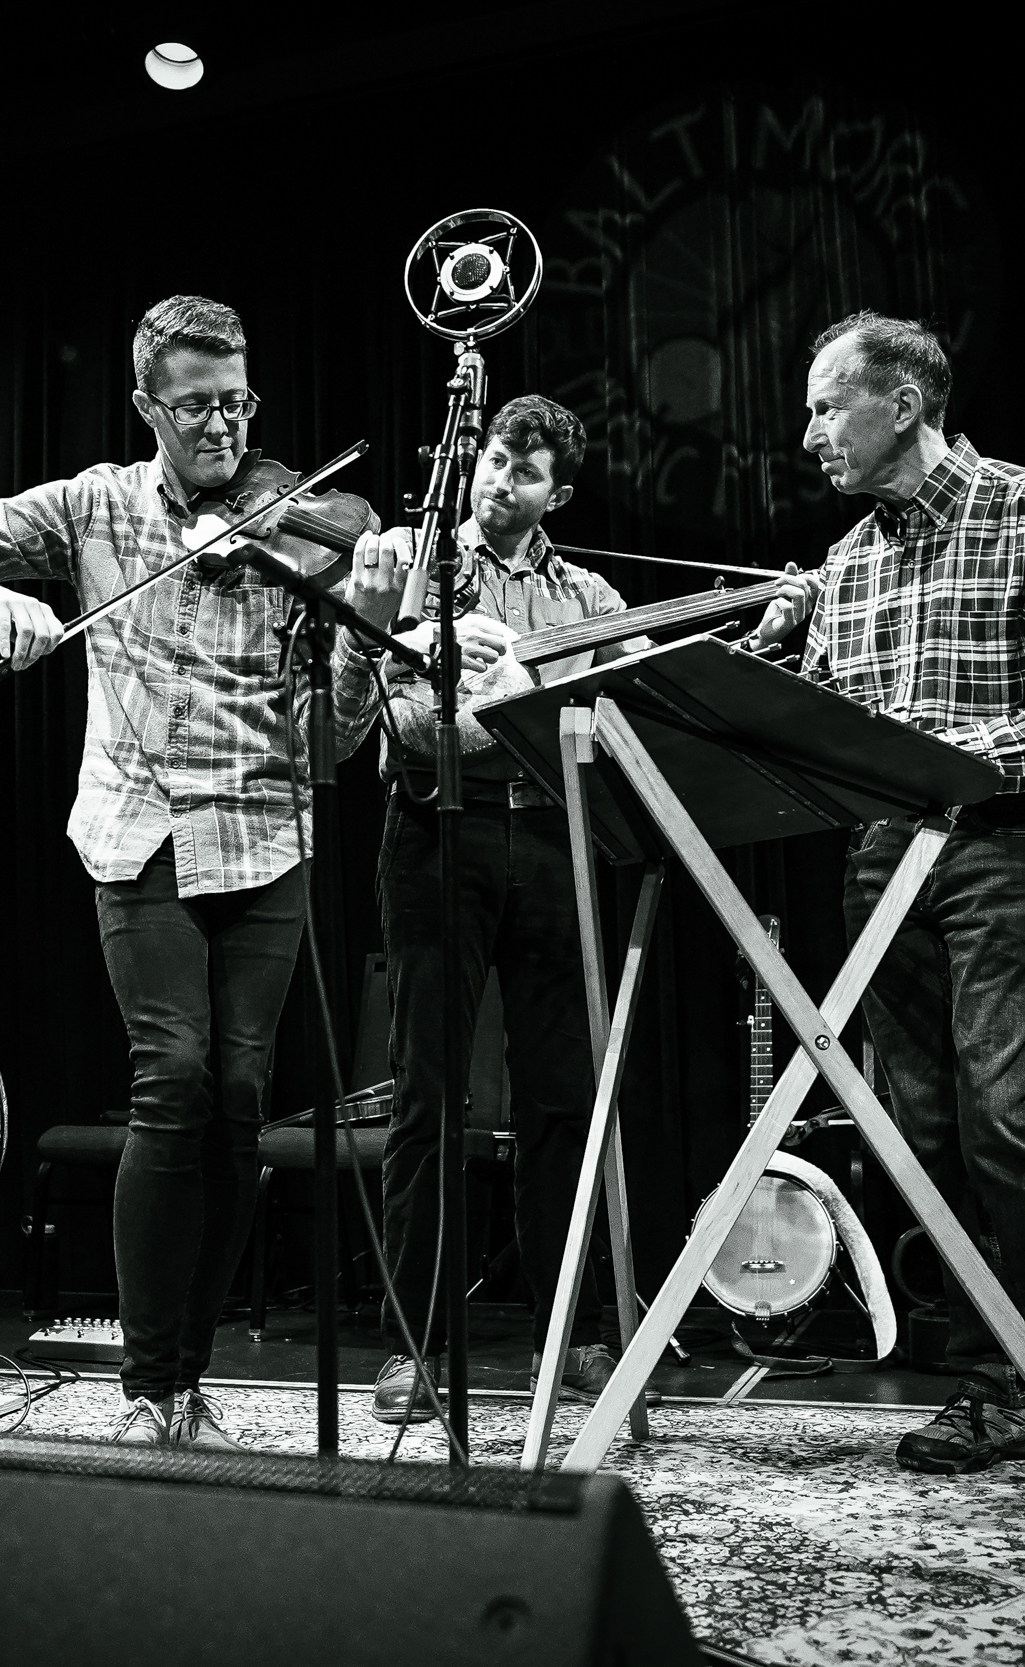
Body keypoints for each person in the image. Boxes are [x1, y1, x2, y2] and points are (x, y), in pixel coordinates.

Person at [0, 295, 410, 1448]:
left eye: (239, 402)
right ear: (146, 405)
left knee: (237, 1101)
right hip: (142, 829)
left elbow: (341, 739)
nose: (223, 426)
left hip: (269, 831)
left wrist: (367, 624)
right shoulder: (95, 504)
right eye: (197, 405)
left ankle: (191, 1364)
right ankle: (147, 1380)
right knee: (171, 1076)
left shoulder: (306, 521)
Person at [751, 312, 1025, 1506]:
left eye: (824, 406)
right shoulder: (844, 562)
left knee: (1010, 1122)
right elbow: (825, 727)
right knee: (926, 1136)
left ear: (900, 401)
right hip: (878, 857)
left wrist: (969, 758)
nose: (809, 435)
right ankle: (1004, 1381)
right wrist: (762, 671)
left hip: (999, 843)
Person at [366, 394, 651, 1425]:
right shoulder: (411, 561)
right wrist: (499, 708)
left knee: (563, 1097)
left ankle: (571, 1330)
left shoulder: (590, 591)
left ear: (556, 493)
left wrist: (550, 696)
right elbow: (397, 725)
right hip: (437, 830)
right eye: (492, 460)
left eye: (524, 473)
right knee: (428, 1094)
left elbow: (616, 720)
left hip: (549, 834)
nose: (499, 482)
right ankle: (410, 1345)